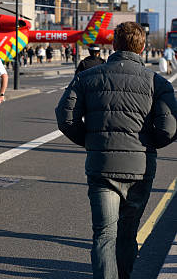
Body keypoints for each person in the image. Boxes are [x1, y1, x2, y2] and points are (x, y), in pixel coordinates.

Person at [56, 22, 177, 279]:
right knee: (128, 233)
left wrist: (91, 142)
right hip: (140, 167)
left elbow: (65, 118)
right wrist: (148, 144)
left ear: (113, 45)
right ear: (143, 47)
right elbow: (169, 128)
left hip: (102, 165)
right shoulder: (158, 84)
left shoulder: (87, 77)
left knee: (104, 235)